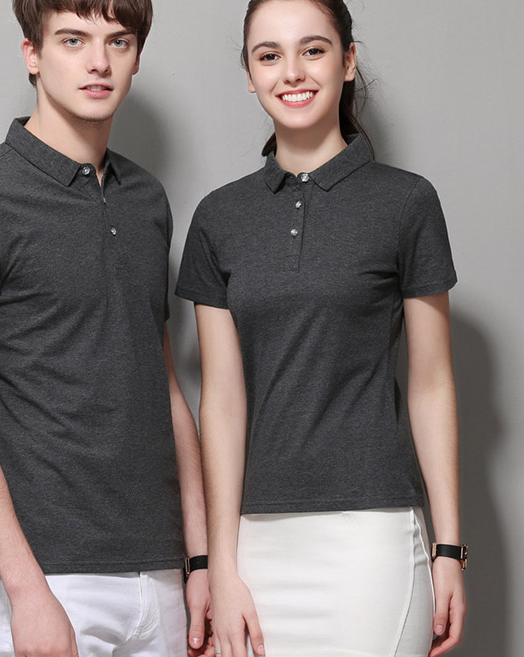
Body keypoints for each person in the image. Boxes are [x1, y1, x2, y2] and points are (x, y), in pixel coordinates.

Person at [0, 1, 213, 656]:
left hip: (162, 570)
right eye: (74, 40)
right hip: (50, 577)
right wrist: (26, 591)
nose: (98, 62)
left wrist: (198, 559)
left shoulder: (148, 200)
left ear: (136, 58)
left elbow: (162, 385)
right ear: (32, 53)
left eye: (118, 42)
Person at [176, 1, 466, 656]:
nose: (291, 72)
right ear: (249, 74)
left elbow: (431, 384)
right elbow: (221, 401)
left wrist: (449, 547)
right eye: (268, 55)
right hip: (254, 543)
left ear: (348, 61)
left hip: (370, 538)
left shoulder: (406, 202)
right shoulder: (218, 217)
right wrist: (220, 563)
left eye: (312, 49)